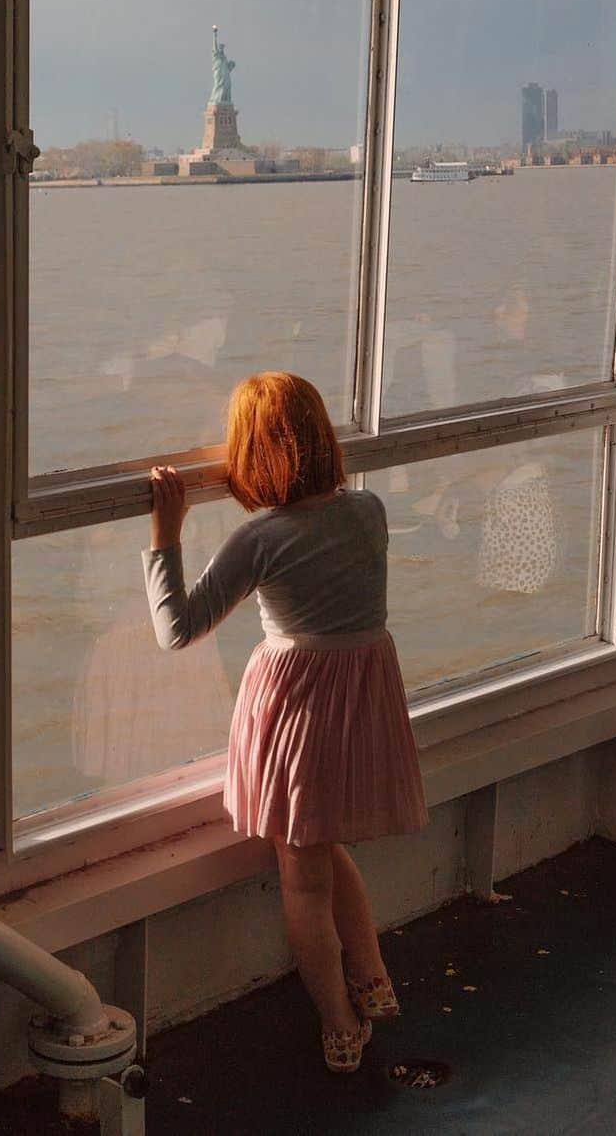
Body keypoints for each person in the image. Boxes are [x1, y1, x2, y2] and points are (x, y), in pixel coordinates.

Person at [142, 372, 427, 1074]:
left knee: (302, 870)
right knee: (327, 846)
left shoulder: (259, 539)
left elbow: (177, 628)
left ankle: (338, 1023)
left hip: (301, 709)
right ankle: (372, 977)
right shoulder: (370, 512)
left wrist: (165, 533)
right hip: (361, 699)